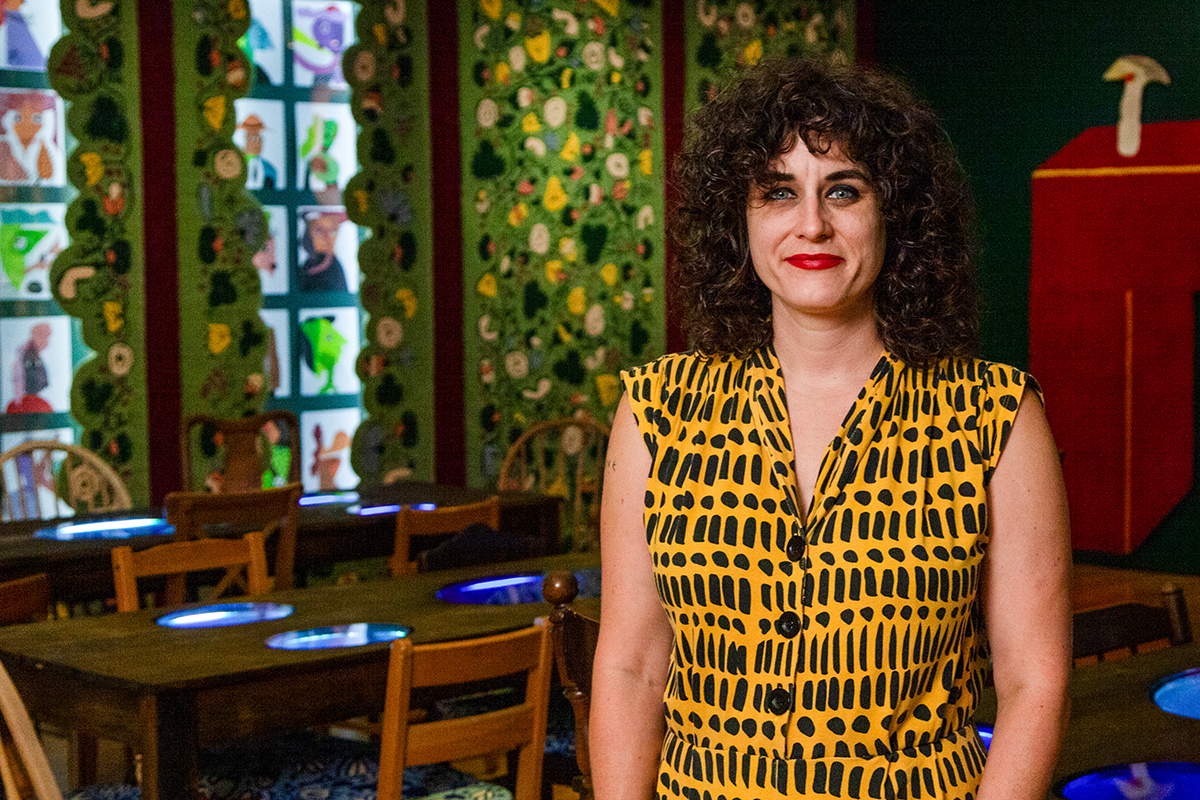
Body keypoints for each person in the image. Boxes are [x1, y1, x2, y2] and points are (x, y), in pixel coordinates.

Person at [592, 57, 1071, 800]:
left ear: (895, 213)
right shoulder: (657, 411)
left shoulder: (996, 417)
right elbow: (630, 668)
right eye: (778, 192)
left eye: (843, 190)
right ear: (739, 220)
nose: (811, 223)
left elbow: (1034, 681)